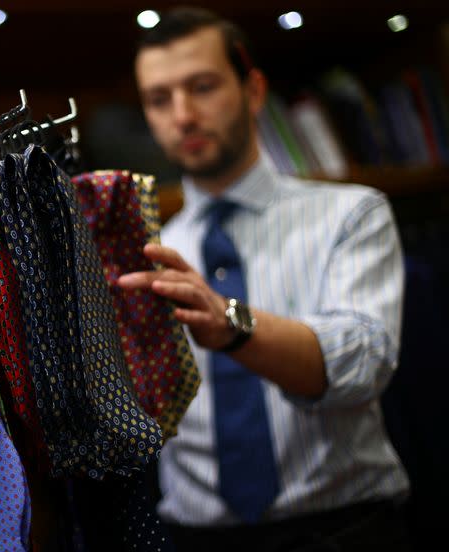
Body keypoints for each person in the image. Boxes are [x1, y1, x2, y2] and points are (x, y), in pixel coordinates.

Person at [117, 6, 411, 551]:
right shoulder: (143, 255)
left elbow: (365, 360)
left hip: (346, 530)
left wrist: (232, 324)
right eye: (159, 99)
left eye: (201, 87)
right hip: (196, 537)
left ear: (252, 91)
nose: (182, 115)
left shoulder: (352, 215)